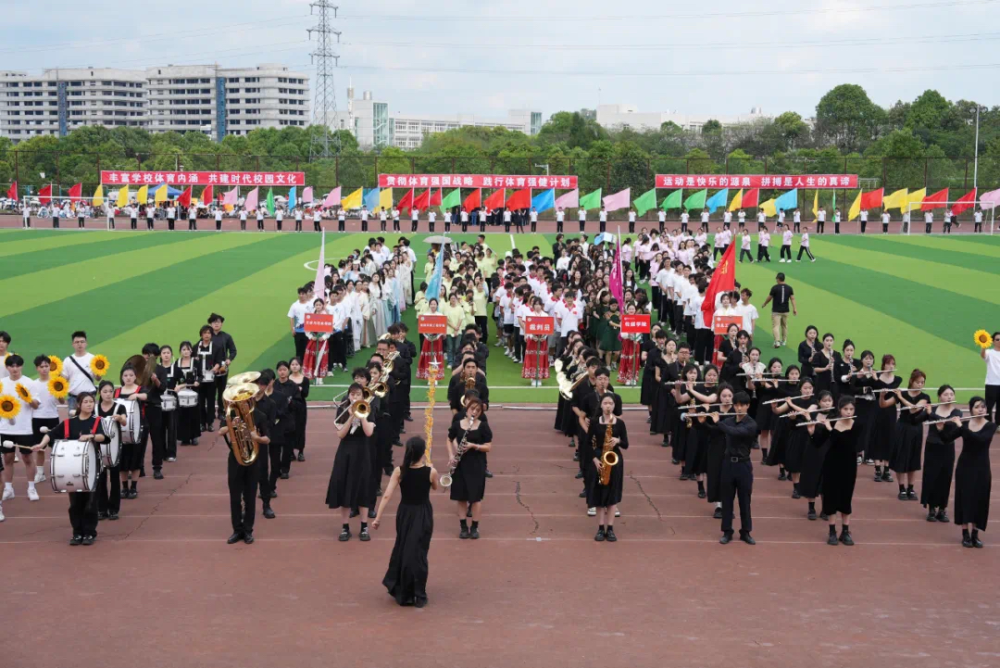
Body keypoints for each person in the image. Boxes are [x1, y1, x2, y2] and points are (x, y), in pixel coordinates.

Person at [32, 392, 107, 545]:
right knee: (75, 504)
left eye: (91, 402)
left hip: (93, 468)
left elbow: (104, 437)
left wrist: (90, 436)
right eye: (86, 402)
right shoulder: (69, 423)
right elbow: (51, 434)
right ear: (79, 405)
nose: (89, 404)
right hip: (73, 469)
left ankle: (89, 532)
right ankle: (77, 532)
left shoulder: (97, 421)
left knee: (90, 503)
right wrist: (41, 444)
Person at [373, 436, 437, 608]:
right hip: (423, 513)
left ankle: (405, 590)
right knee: (419, 553)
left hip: (405, 513)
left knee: (404, 549)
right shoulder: (430, 472)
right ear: (423, 452)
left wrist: (378, 518)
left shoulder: (399, 471)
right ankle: (419, 594)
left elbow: (387, 495)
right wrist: (430, 468)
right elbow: (436, 487)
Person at [219, 373, 270, 544]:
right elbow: (220, 432)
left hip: (254, 460)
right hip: (235, 459)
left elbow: (268, 439)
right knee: (234, 497)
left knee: (250, 496)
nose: (244, 402)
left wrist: (256, 437)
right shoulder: (231, 414)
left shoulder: (260, 416)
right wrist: (229, 425)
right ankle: (236, 530)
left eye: (247, 398)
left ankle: (248, 530)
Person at [327, 383, 375, 541]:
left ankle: (364, 526)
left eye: (358, 394)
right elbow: (340, 434)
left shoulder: (368, 409)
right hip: (345, 452)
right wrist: (350, 416)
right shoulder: (342, 409)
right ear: (348, 395)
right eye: (352, 394)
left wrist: (361, 417)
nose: (354, 397)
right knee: (345, 486)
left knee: (363, 487)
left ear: (362, 396)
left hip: (362, 452)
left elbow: (368, 432)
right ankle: (345, 527)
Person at [711, 391, 757, 545]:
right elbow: (713, 430)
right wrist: (703, 419)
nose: (739, 408)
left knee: (745, 500)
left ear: (748, 406)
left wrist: (718, 422)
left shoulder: (751, 424)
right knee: (727, 499)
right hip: (728, 464)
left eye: (742, 405)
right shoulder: (729, 421)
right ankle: (727, 531)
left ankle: (746, 532)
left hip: (743, 465)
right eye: (736, 405)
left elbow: (735, 432)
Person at [816, 396, 860, 545]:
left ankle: (845, 532)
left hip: (848, 466)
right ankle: (832, 531)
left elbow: (846, 443)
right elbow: (817, 442)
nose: (848, 412)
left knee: (845, 497)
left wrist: (830, 429)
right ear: (840, 410)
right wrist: (812, 430)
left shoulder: (857, 425)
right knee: (831, 497)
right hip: (831, 464)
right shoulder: (833, 422)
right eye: (845, 409)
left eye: (851, 409)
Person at [447, 396, 492, 539]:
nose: (475, 412)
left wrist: (474, 446)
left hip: (476, 465)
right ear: (467, 409)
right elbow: (449, 439)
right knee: (461, 497)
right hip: (460, 465)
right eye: (472, 409)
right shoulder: (457, 424)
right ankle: (463, 527)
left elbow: (488, 447)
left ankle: (474, 527)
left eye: (478, 410)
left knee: (476, 498)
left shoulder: (483, 426)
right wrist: (451, 456)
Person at [587, 392, 628, 542]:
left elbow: (626, 444)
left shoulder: (620, 424)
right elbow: (586, 444)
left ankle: (610, 529)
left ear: (614, 406)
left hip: (615, 461)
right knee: (598, 495)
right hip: (599, 460)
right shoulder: (595, 422)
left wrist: (617, 440)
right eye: (605, 403)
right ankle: (600, 528)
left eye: (611, 403)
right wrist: (594, 460)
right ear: (601, 405)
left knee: (612, 495)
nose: (608, 406)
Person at [954, 397, 995, 548]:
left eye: (983, 407)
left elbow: (980, 440)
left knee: (980, 498)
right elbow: (946, 438)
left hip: (982, 468)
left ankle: (975, 534)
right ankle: (965, 533)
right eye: (977, 407)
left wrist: (961, 427)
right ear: (971, 409)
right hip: (965, 466)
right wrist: (940, 426)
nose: (981, 409)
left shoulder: (990, 426)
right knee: (964, 497)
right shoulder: (965, 424)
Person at [1, 355, 41, 502]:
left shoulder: (29, 383)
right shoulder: (2, 384)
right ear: (7, 368)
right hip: (5, 428)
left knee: (27, 458)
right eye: (12, 366)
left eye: (17, 366)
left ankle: (31, 488)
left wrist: (28, 398)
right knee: (8, 458)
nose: (15, 369)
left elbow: (36, 405)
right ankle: (8, 489)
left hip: (24, 428)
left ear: (21, 367)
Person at [921, 385, 963, 522]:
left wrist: (931, 415)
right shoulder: (932, 408)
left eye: (951, 394)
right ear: (939, 396)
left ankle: (942, 509)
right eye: (946, 394)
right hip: (932, 447)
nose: (949, 396)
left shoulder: (957, 413)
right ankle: (931, 508)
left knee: (945, 478)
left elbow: (947, 425)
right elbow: (917, 418)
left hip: (947, 448)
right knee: (931, 476)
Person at [887, 369, 930, 501]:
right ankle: (901, 488)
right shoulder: (903, 392)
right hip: (902, 428)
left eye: (922, 382)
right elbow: (884, 404)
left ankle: (911, 488)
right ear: (911, 381)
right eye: (918, 382)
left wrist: (900, 398)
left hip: (916, 429)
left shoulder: (924, 397)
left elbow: (914, 409)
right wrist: (883, 395)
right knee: (901, 457)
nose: (920, 385)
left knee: (913, 458)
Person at [96, 380, 127, 521]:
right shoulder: (95, 408)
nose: (108, 394)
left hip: (115, 448)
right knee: (100, 478)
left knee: (115, 478)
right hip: (98, 448)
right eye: (105, 391)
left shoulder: (119, 407)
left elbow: (125, 421)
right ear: (100, 393)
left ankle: (113, 509)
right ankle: (101, 508)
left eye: (110, 391)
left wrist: (120, 418)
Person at [62, 330, 100, 414]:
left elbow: (98, 378)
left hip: (89, 397)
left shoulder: (93, 359)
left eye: (82, 342)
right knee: (74, 424)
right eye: (77, 342)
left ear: (86, 343)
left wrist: (100, 370)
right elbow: (64, 380)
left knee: (91, 423)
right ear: (73, 344)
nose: (80, 344)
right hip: (73, 398)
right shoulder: (67, 360)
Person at [209, 313, 237, 422]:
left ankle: (221, 411)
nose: (216, 324)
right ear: (210, 324)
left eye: (218, 322)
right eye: (214, 322)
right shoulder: (207, 336)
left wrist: (229, 359)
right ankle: (210, 414)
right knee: (210, 392)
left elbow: (233, 351)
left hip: (222, 369)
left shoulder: (226, 337)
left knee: (221, 391)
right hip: (210, 369)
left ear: (221, 324)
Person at [760, 273, 797, 348]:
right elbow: (792, 298)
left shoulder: (775, 288)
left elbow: (770, 297)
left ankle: (777, 341)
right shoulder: (789, 288)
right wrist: (794, 308)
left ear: (778, 279)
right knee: (784, 326)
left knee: (776, 326)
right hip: (786, 310)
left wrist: (765, 303)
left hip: (776, 311)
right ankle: (784, 340)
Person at [981, 332, 1000, 422]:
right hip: (991, 384)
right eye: (997, 339)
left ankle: (998, 425)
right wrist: (984, 345)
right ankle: (988, 424)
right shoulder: (989, 352)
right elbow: (983, 355)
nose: (999, 341)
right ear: (993, 341)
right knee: (989, 406)